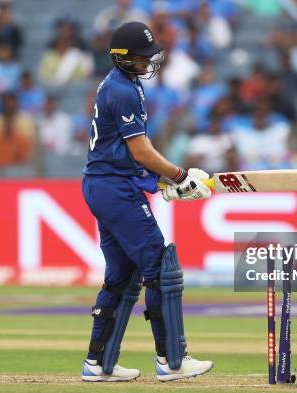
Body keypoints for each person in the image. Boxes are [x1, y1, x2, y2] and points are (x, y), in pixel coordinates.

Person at [81, 21, 213, 383]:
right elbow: (139, 151)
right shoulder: (122, 90)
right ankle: (172, 361)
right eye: (141, 57)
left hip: (105, 183)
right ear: (122, 58)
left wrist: (160, 181)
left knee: (123, 277)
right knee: (161, 268)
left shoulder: (122, 84)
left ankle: (99, 363)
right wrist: (180, 176)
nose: (148, 62)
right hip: (114, 188)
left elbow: (126, 153)